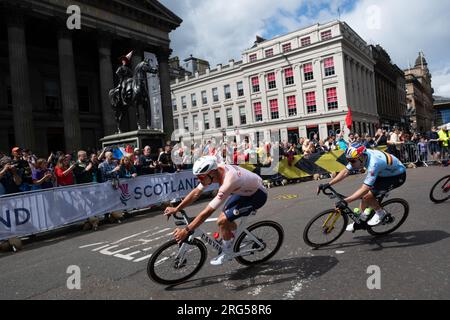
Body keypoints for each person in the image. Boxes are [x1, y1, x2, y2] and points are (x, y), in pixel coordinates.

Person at [164, 156, 268, 266]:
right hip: (243, 192)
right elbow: (196, 193)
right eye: (198, 177)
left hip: (257, 196)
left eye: (201, 177)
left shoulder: (228, 181)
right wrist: (177, 208)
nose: (200, 180)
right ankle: (232, 238)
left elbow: (207, 212)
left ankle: (227, 252)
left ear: (212, 173)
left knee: (222, 220)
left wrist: (186, 230)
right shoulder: (213, 172)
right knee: (226, 218)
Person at [318, 145, 406, 232]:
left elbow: (365, 189)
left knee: (367, 195)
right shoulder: (358, 156)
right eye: (349, 161)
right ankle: (361, 221)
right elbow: (345, 171)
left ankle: (381, 213)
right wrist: (329, 183)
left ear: (360, 158)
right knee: (364, 197)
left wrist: (346, 201)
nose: (351, 163)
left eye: (352, 161)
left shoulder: (374, 163)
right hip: (383, 173)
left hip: (396, 176)